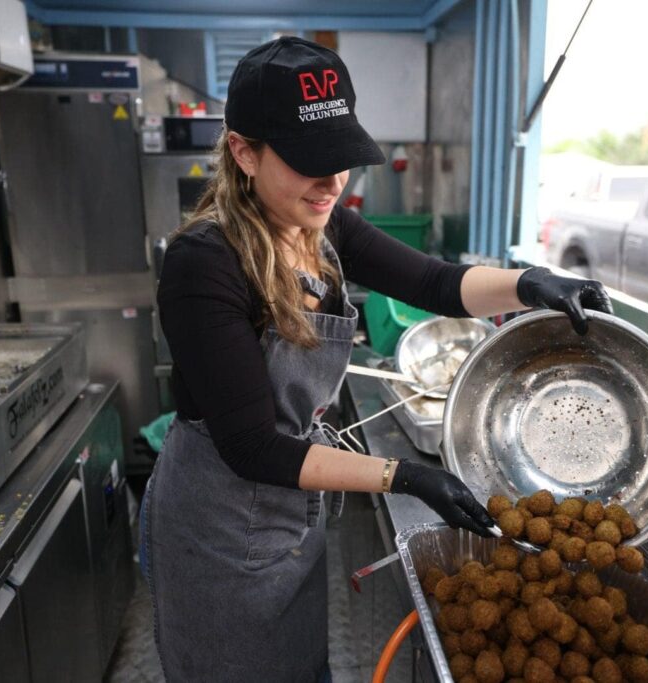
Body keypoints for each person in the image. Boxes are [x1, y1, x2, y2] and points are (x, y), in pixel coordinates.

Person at [140, 36, 613, 683]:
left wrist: (530, 284)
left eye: (340, 159)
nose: (332, 180)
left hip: (288, 510)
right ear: (243, 152)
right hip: (222, 521)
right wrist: (408, 476)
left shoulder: (321, 226)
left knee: (297, 665)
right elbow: (252, 446)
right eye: (309, 161)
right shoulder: (204, 262)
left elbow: (436, 284)